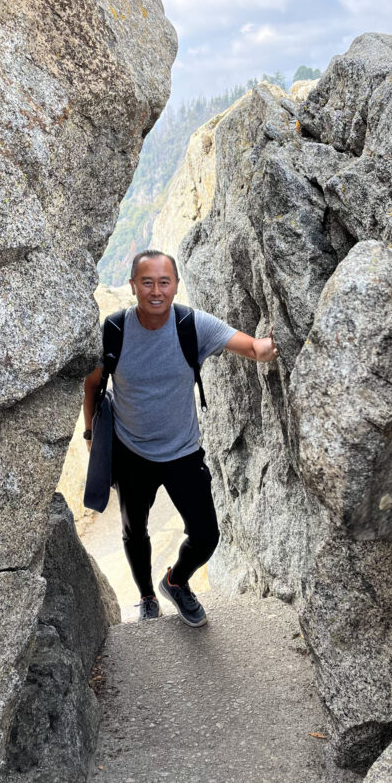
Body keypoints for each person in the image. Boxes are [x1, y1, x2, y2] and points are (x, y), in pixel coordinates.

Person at [83, 249, 277, 627]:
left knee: (206, 535)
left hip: (183, 452)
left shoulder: (192, 325)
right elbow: (92, 385)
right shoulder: (116, 330)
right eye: (148, 282)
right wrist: (91, 434)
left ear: (175, 285)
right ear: (133, 286)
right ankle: (146, 597)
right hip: (131, 450)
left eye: (164, 281)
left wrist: (280, 340)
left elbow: (253, 348)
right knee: (133, 531)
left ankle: (175, 581)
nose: (156, 290)